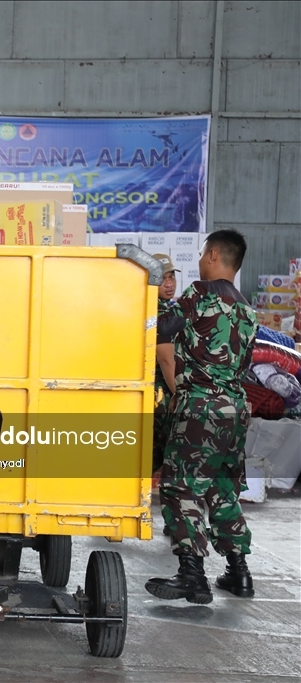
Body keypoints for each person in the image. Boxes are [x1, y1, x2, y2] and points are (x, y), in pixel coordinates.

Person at [146, 230, 257, 604]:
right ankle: (239, 572)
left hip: (201, 407)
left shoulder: (199, 294)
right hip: (236, 409)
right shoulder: (247, 309)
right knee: (221, 487)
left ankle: (191, 574)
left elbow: (161, 330)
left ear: (212, 255)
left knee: (180, 487)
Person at [151, 254, 179, 476]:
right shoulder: (159, 313)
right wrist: (178, 393)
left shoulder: (161, 307)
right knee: (156, 450)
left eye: (171, 277)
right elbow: (166, 360)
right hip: (160, 392)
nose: (169, 284)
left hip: (156, 389)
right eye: (163, 279)